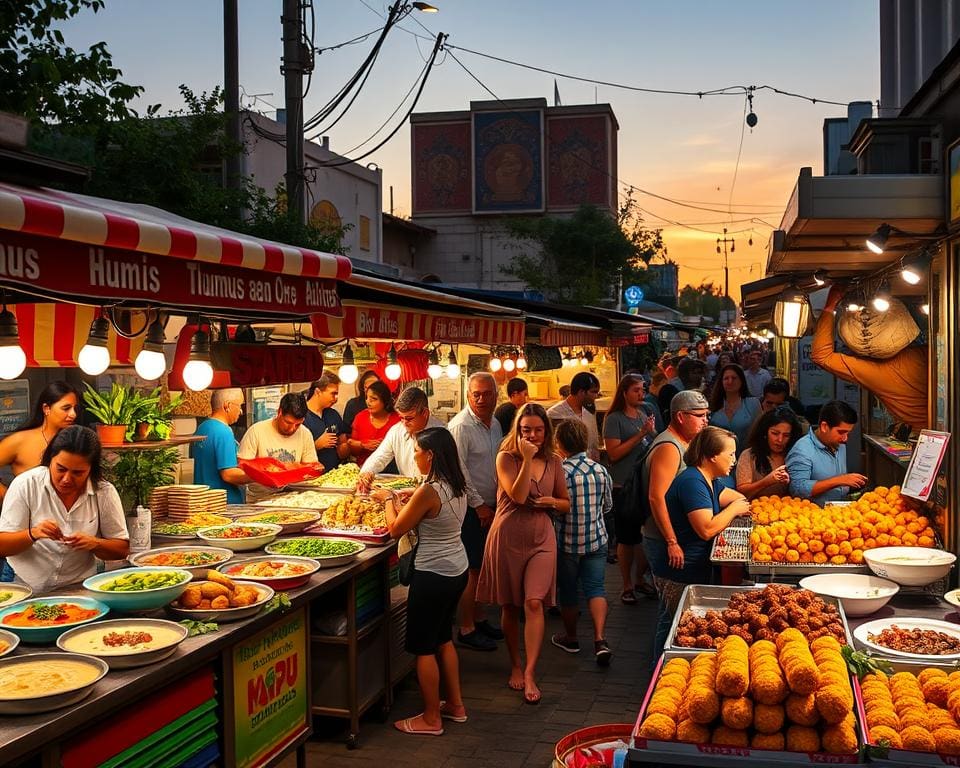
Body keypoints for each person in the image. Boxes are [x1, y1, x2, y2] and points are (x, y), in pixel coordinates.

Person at [370, 428, 469, 736]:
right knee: (443, 639)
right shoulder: (455, 484)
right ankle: (455, 706)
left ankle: (431, 718)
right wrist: (406, 498)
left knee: (423, 647)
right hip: (457, 568)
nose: (414, 457)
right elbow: (428, 513)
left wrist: (388, 499)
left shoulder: (429, 491)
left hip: (433, 574)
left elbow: (396, 528)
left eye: (417, 452)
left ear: (431, 456)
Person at [477, 403, 569, 706]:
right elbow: (516, 496)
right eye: (526, 429)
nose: (532, 435)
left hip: (542, 536)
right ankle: (515, 663)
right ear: (517, 430)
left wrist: (551, 503)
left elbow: (565, 503)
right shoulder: (506, 457)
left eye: (538, 430)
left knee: (533, 602)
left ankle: (530, 672)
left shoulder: (555, 461)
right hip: (508, 536)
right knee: (510, 605)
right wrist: (527, 458)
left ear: (547, 431)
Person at [646, 426, 750, 655]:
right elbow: (706, 528)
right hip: (680, 570)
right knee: (673, 624)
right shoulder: (693, 482)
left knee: (672, 621)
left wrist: (741, 504)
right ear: (712, 455)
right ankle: (660, 669)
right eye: (730, 454)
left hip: (693, 566)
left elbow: (735, 498)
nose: (734, 460)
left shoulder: (708, 479)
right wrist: (734, 510)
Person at [0, 425, 129, 591]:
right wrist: (33, 533)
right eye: (60, 469)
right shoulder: (26, 484)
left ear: (91, 470)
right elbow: (3, 546)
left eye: (78, 473)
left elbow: (122, 549)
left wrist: (95, 543)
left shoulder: (104, 492)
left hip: (78, 585)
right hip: (23, 582)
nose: (66, 479)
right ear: (50, 460)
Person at [641, 390, 710, 656]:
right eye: (699, 416)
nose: (705, 421)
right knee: (671, 616)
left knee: (671, 612)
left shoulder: (683, 444)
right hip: (663, 540)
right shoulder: (669, 447)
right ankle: (660, 671)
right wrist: (672, 541)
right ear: (680, 417)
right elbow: (656, 497)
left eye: (707, 415)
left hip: (672, 539)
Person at [813, 283, 927, 430]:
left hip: (921, 438)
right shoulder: (929, 353)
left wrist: (830, 305)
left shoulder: (875, 372)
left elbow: (821, 356)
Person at [448, 373, 503, 653]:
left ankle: (480, 619)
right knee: (471, 569)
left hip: (492, 504)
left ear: (496, 394)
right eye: (475, 394)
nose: (480, 399)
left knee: (483, 566)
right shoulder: (461, 426)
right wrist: (478, 504)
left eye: (486, 394)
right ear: (468, 395)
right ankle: (466, 627)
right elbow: (460, 471)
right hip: (471, 509)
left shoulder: (495, 424)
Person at [551, 419, 614, 666]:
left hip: (566, 541)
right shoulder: (600, 470)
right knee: (596, 588)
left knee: (568, 592)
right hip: (596, 539)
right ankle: (600, 639)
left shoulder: (560, 472)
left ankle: (572, 637)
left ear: (559, 444)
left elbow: (556, 509)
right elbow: (608, 506)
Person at [602, 374, 658, 603]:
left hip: (643, 485)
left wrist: (651, 435)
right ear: (624, 392)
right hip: (623, 486)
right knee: (626, 538)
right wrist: (642, 434)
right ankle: (626, 585)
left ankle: (639, 579)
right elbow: (614, 454)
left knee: (642, 536)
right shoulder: (614, 419)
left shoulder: (642, 413)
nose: (641, 394)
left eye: (642, 389)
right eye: (636, 390)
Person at [0, 381, 79, 502]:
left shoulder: (77, 441)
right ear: (46, 408)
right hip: (28, 516)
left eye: (75, 408)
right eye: (66, 408)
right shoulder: (21, 440)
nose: (73, 414)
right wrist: (7, 495)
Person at [237, 393, 319, 501]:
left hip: (293, 499)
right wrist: (263, 473)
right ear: (279, 412)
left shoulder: (305, 433)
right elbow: (241, 469)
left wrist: (298, 469)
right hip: (259, 500)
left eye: (298, 424)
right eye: (288, 423)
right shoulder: (256, 431)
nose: (292, 429)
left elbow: (312, 468)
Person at [357, 387, 445, 489]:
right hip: (408, 493)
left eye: (408, 418)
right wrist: (367, 472)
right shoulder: (397, 430)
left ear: (425, 413)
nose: (404, 423)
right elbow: (380, 456)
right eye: (401, 418)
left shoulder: (442, 434)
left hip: (436, 497)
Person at [786, 400, 868, 506]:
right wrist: (839, 480)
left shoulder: (839, 444)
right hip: (813, 516)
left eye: (848, 433)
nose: (845, 438)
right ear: (824, 426)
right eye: (841, 432)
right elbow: (797, 489)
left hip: (839, 513)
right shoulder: (802, 450)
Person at [191, 388, 251, 503]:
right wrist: (259, 476)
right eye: (239, 405)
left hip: (203, 502)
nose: (241, 411)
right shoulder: (223, 431)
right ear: (227, 406)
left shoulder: (202, 428)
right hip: (225, 504)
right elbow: (228, 474)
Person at [736, 406, 803, 500]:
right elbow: (742, 494)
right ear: (765, 432)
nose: (780, 440)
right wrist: (767, 481)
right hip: (756, 511)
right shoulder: (749, 455)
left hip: (790, 510)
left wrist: (791, 483)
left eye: (786, 435)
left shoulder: (797, 455)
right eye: (775, 433)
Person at [708, 363, 761, 458]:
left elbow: (759, 432)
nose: (730, 381)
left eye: (734, 378)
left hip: (746, 458)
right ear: (721, 382)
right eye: (726, 378)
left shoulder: (753, 404)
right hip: (718, 459)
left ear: (741, 380)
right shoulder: (712, 405)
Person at [547, 372, 601, 461]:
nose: (596, 396)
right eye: (593, 392)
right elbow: (551, 446)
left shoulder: (589, 410)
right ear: (581, 392)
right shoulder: (555, 414)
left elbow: (593, 441)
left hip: (590, 466)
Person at [304, 372, 350, 473]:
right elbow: (294, 455)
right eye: (333, 393)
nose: (336, 398)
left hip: (335, 476)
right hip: (310, 478)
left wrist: (346, 446)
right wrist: (316, 445)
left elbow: (342, 443)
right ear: (317, 392)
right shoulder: (301, 417)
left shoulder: (333, 414)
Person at [347, 380, 400, 466]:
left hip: (392, 469)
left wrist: (387, 445)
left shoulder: (397, 420)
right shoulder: (360, 417)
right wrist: (362, 445)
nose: (368, 402)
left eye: (374, 399)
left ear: (384, 401)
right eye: (367, 398)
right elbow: (353, 451)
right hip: (364, 468)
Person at [342, 370, 382, 435]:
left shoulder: (387, 404)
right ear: (363, 388)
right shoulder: (353, 404)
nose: (371, 390)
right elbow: (345, 431)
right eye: (367, 388)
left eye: (374, 386)